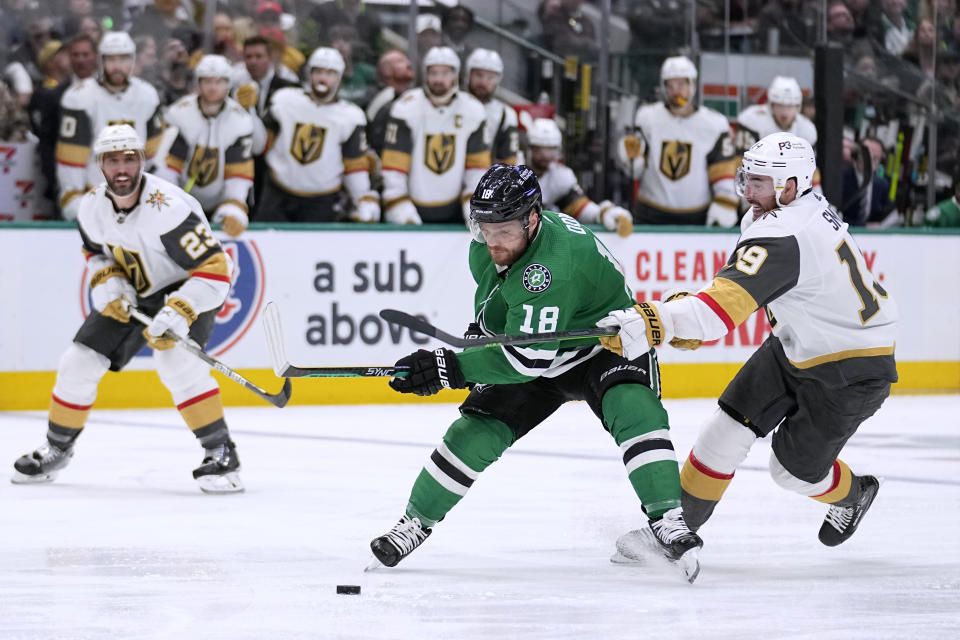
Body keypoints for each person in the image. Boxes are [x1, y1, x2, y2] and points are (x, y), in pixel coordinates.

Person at [368, 164, 703, 582]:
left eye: (504, 231)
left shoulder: (552, 265)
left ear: (532, 219)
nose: (493, 241)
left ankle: (667, 518)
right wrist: (459, 361)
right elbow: (498, 322)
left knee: (633, 407)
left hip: (600, 346)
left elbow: (527, 361)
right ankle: (414, 523)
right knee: (476, 430)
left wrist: (449, 367)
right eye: (485, 228)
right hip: (539, 345)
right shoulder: (487, 246)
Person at [598, 132, 897, 548]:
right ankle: (675, 532)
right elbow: (729, 290)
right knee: (723, 432)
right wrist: (680, 318)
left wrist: (661, 321)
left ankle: (855, 494)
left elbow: (720, 313)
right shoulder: (788, 211)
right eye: (747, 179)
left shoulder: (784, 231)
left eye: (759, 183)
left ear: (790, 186)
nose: (747, 192)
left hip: (851, 367)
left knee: (790, 472)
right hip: (796, 344)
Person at [12, 124, 244, 494]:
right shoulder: (91, 207)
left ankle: (221, 453)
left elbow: (216, 271)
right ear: (100, 165)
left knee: (176, 363)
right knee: (78, 361)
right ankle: (56, 448)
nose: (122, 169)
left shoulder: (167, 207)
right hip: (136, 292)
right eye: (113, 160)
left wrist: (181, 309)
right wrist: (109, 282)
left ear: (141, 161)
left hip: (190, 289)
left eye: (129, 159)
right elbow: (96, 253)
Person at [258, 47, 379, 223]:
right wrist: (249, 114)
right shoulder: (285, 100)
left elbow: (354, 166)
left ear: (339, 78)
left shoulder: (351, 117)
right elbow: (260, 145)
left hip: (321, 201)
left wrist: (362, 198)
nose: (323, 78)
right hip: (277, 195)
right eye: (318, 71)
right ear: (309, 73)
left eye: (330, 73)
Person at [615, 56, 739, 226]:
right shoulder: (647, 117)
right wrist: (630, 159)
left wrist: (725, 204)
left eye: (681, 85)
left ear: (692, 85)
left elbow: (723, 170)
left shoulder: (715, 124)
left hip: (696, 216)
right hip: (649, 213)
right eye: (670, 85)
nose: (676, 91)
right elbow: (635, 171)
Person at [56, 30, 164, 221]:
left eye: (123, 59)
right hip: (93, 194)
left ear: (132, 61)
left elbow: (154, 155)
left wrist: (150, 195)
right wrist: (73, 197)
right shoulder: (79, 97)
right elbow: (71, 158)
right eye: (111, 60)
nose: (117, 66)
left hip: (137, 198)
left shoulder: (147, 95)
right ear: (101, 61)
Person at [381, 46, 489, 224]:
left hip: (455, 209)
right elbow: (394, 166)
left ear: (455, 75)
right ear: (425, 74)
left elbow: (477, 168)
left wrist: (475, 204)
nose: (438, 79)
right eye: (433, 73)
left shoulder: (473, 110)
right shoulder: (405, 107)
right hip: (411, 206)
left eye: (445, 73)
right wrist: (397, 201)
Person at [157, 54, 254, 237]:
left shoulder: (240, 121)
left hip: (219, 204)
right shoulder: (179, 113)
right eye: (207, 81)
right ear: (198, 83)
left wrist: (234, 206)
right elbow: (167, 169)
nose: (213, 87)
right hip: (182, 203)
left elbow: (239, 174)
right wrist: (171, 204)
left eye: (219, 81)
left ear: (228, 83)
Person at [526, 117, 633, 237]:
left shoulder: (560, 176)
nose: (546, 154)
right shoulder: (513, 171)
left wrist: (602, 213)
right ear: (531, 148)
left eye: (551, 148)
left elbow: (578, 206)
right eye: (541, 148)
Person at [464, 48, 521, 166]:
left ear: (498, 80)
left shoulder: (506, 115)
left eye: (490, 78)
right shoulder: (452, 105)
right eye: (479, 75)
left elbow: (508, 164)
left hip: (486, 179)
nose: (483, 83)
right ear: (468, 74)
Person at [736, 76, 817, 150]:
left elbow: (808, 164)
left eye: (790, 106)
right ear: (771, 106)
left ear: (797, 107)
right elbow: (742, 160)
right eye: (780, 106)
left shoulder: (807, 130)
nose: (785, 113)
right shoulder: (751, 119)